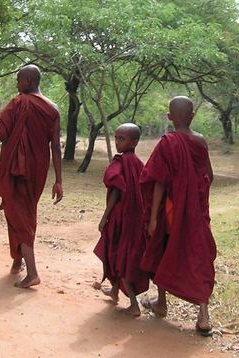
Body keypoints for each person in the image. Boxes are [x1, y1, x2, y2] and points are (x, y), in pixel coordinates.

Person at [140, 96, 217, 336]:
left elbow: (158, 183)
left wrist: (153, 219)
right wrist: (195, 199)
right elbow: (209, 176)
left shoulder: (167, 143)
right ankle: (203, 316)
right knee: (200, 255)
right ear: (192, 116)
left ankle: (161, 302)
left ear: (169, 117)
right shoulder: (200, 141)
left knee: (162, 248)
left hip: (171, 211)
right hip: (195, 212)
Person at [0, 65, 63, 289]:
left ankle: (33, 273)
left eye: (18, 80)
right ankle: (17, 261)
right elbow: (55, 146)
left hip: (18, 168)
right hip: (38, 168)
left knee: (19, 213)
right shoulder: (53, 109)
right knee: (21, 210)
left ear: (28, 80)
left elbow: (3, 132)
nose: (16, 84)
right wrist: (58, 180)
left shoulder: (19, 103)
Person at [94, 123, 149, 317]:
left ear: (134, 141)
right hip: (135, 218)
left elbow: (116, 191)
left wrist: (104, 216)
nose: (118, 142)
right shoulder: (137, 162)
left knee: (119, 257)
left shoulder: (119, 162)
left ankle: (134, 304)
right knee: (118, 253)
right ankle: (115, 291)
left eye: (122, 139)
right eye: (116, 138)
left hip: (120, 217)